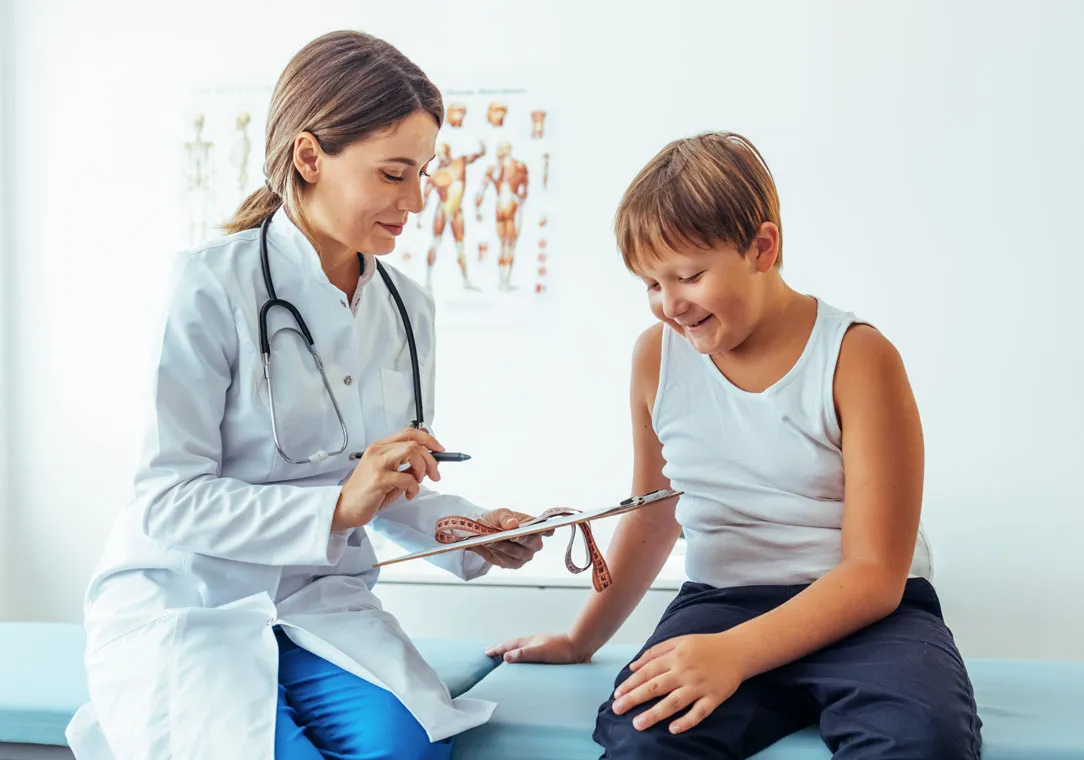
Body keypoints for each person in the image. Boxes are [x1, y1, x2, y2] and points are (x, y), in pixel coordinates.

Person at [66, 30, 547, 760]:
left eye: (422, 173)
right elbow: (167, 497)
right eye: (394, 174)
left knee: (407, 750)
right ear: (310, 155)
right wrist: (337, 506)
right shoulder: (209, 285)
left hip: (323, 606)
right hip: (192, 603)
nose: (416, 200)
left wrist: (473, 530)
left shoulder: (408, 311)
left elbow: (389, 482)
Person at [488, 132, 983, 759]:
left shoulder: (856, 357)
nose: (669, 304)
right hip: (721, 604)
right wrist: (581, 639)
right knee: (642, 740)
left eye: (689, 275)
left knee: (922, 739)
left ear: (762, 247)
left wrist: (736, 654)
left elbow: (875, 575)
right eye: (650, 283)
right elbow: (653, 513)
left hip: (867, 616)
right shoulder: (655, 357)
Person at [418, 141, 486, 291]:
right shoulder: (435, 175)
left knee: (460, 245)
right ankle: (427, 280)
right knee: (435, 243)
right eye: (440, 154)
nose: (443, 156)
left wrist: (482, 150)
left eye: (444, 153)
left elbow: (474, 157)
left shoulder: (459, 163)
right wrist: (420, 216)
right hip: (442, 210)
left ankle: (466, 280)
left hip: (456, 210)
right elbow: (426, 197)